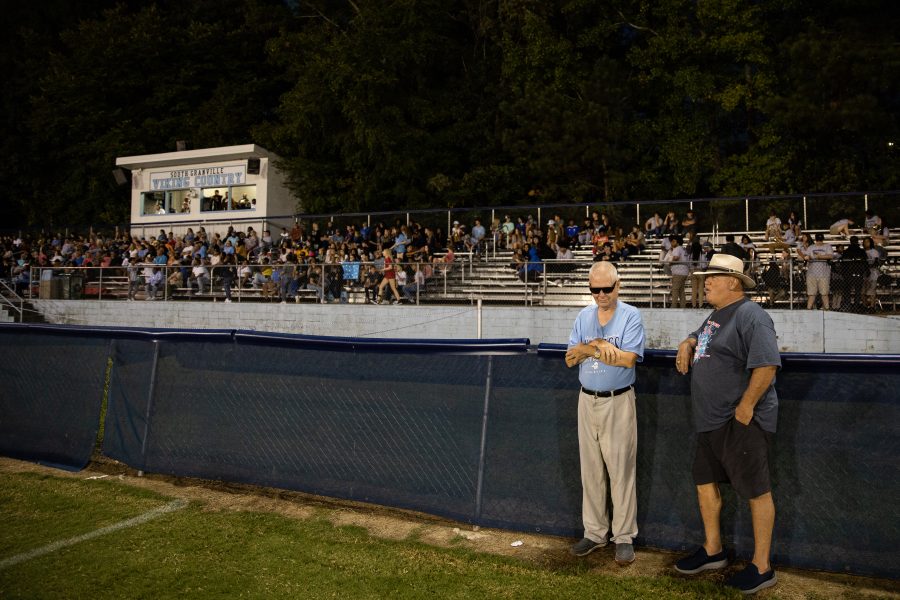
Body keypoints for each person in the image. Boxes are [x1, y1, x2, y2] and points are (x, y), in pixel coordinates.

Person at [673, 253, 781, 595]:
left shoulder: (752, 315)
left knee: (756, 490)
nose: (705, 282)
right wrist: (688, 340)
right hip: (711, 422)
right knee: (705, 483)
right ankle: (713, 550)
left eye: (712, 278)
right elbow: (703, 335)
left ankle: (762, 566)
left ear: (733, 282)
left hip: (738, 420)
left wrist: (746, 407)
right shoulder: (717, 315)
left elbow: (767, 365)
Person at [564, 261, 645, 566]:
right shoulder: (584, 316)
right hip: (587, 400)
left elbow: (627, 360)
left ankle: (623, 537)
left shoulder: (630, 315)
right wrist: (593, 347)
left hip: (618, 400)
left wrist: (591, 349)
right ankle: (595, 533)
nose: (600, 294)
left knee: (621, 471)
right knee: (591, 472)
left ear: (617, 286)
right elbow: (570, 360)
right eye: (594, 289)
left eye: (606, 289)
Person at [798, 233, 836, 310]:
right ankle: (809, 309)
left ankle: (827, 309)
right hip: (812, 273)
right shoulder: (811, 247)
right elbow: (806, 256)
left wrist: (820, 256)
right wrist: (807, 257)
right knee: (811, 294)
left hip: (824, 273)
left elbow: (831, 256)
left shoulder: (827, 246)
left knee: (824, 293)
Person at [665, 235, 690, 308]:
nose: (672, 243)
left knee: (675, 290)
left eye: (673, 241)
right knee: (681, 291)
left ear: (677, 242)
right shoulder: (683, 249)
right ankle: (683, 306)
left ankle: (673, 306)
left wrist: (670, 263)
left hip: (678, 272)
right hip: (684, 272)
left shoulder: (677, 249)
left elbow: (676, 257)